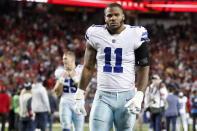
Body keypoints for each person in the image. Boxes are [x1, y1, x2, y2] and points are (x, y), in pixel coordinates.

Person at [74, 3, 150, 131]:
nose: (113, 18)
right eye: (109, 15)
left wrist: (139, 95)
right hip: (103, 96)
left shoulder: (136, 33)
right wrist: (79, 93)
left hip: (127, 96)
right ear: (105, 18)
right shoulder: (95, 33)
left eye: (116, 15)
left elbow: (144, 67)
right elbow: (88, 67)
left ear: (123, 17)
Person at [53, 51, 85, 131]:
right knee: (65, 127)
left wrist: (75, 79)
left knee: (79, 129)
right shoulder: (60, 72)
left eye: (66, 63)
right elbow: (56, 91)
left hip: (78, 103)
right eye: (64, 63)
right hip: (65, 103)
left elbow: (85, 90)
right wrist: (62, 79)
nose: (65, 66)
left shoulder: (80, 71)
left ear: (72, 61)